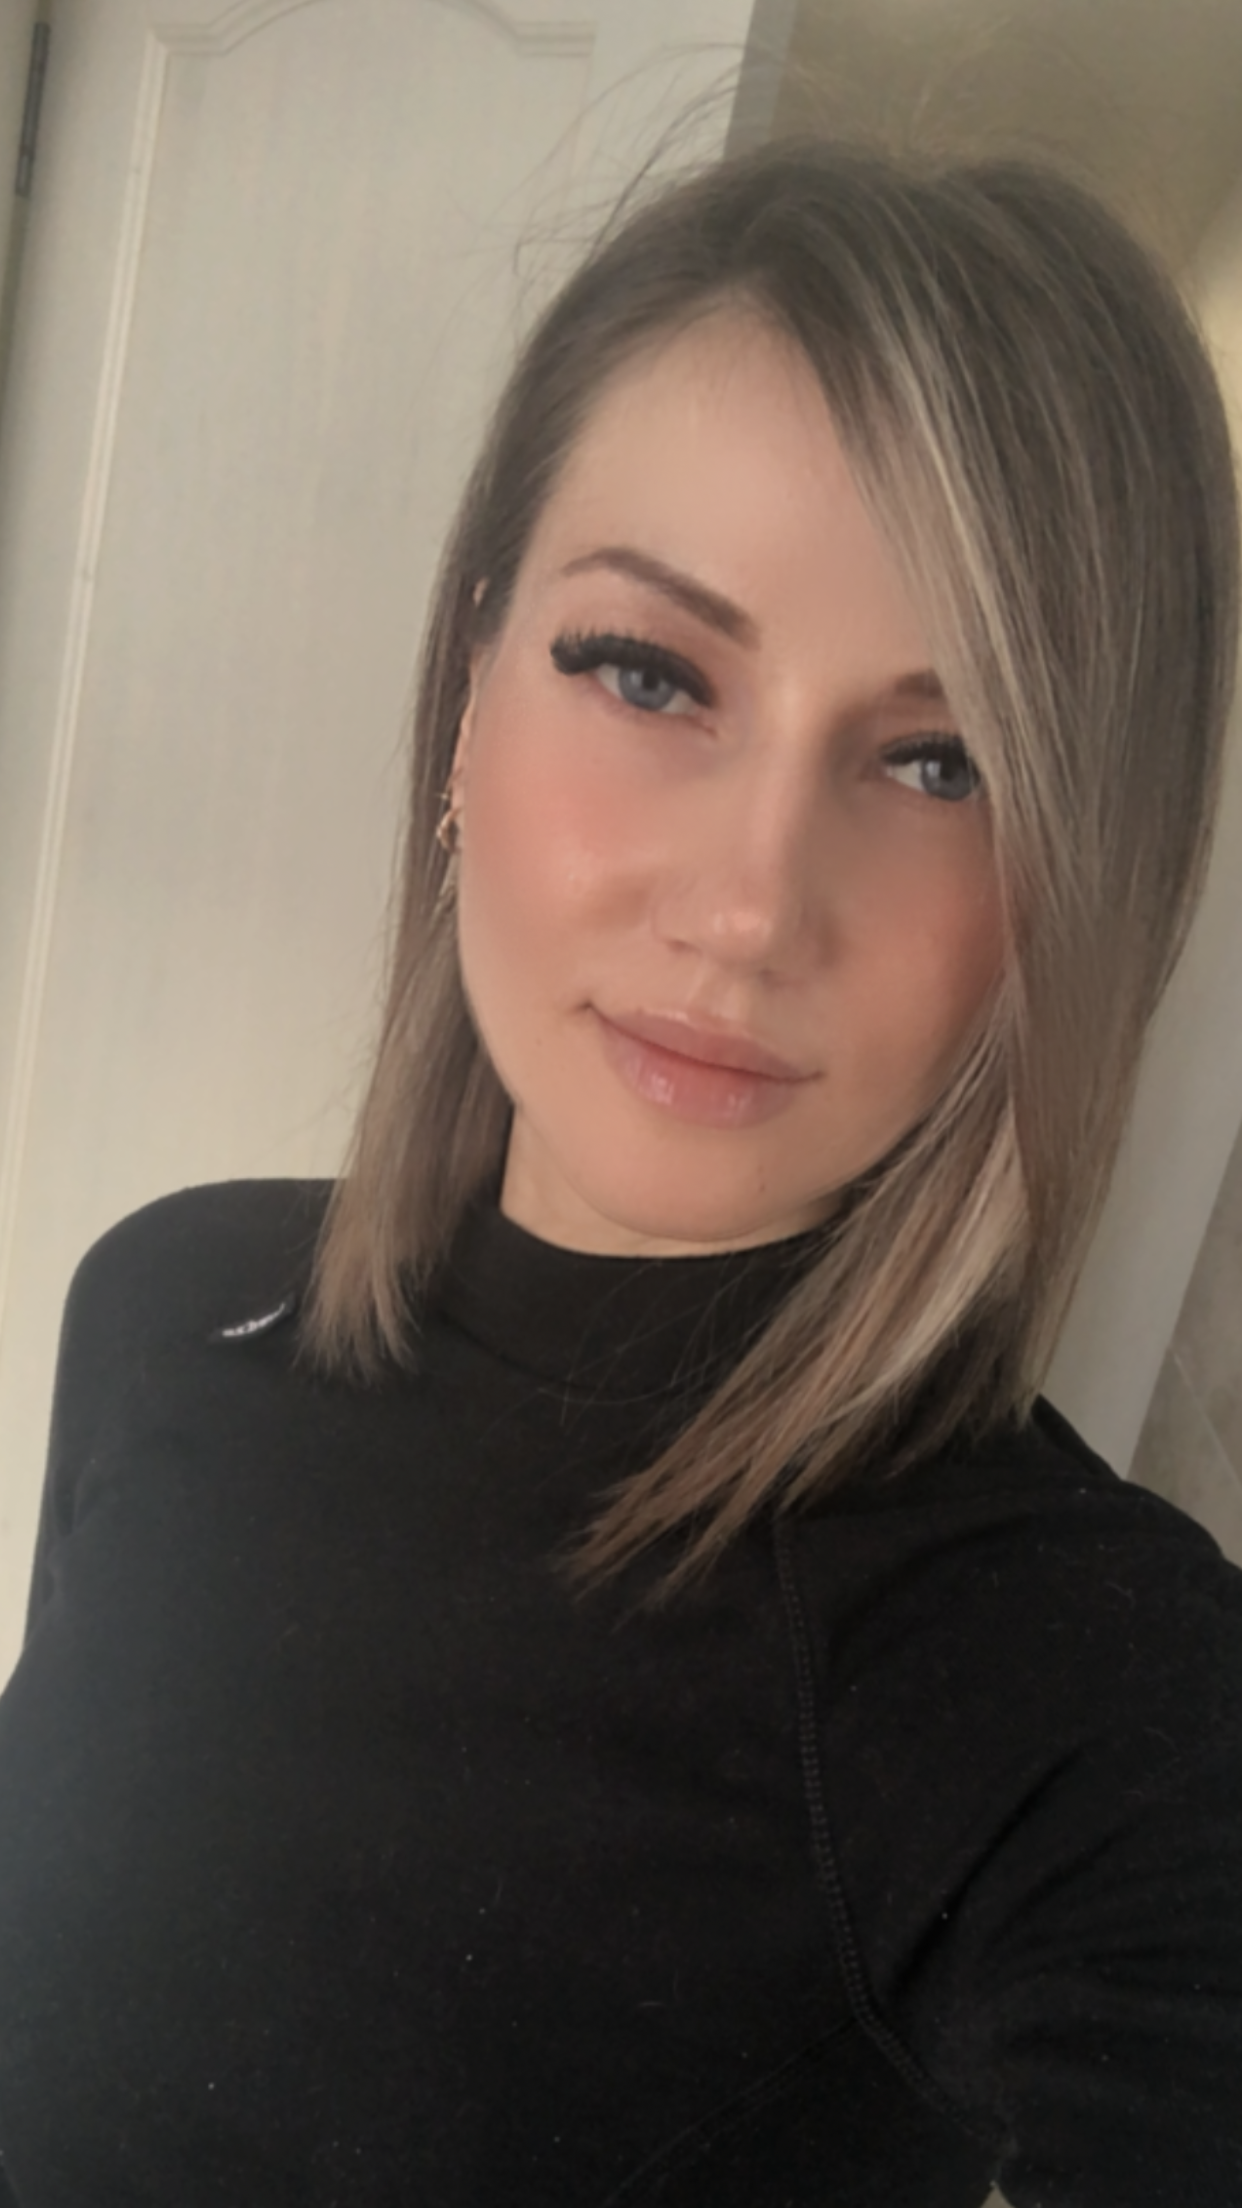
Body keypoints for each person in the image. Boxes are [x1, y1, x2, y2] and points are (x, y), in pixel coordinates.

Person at [0, 134, 1239, 2208]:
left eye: (942, 761)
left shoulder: (1082, 1685)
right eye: (650, 672)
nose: (749, 909)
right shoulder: (166, 1304)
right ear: (469, 690)